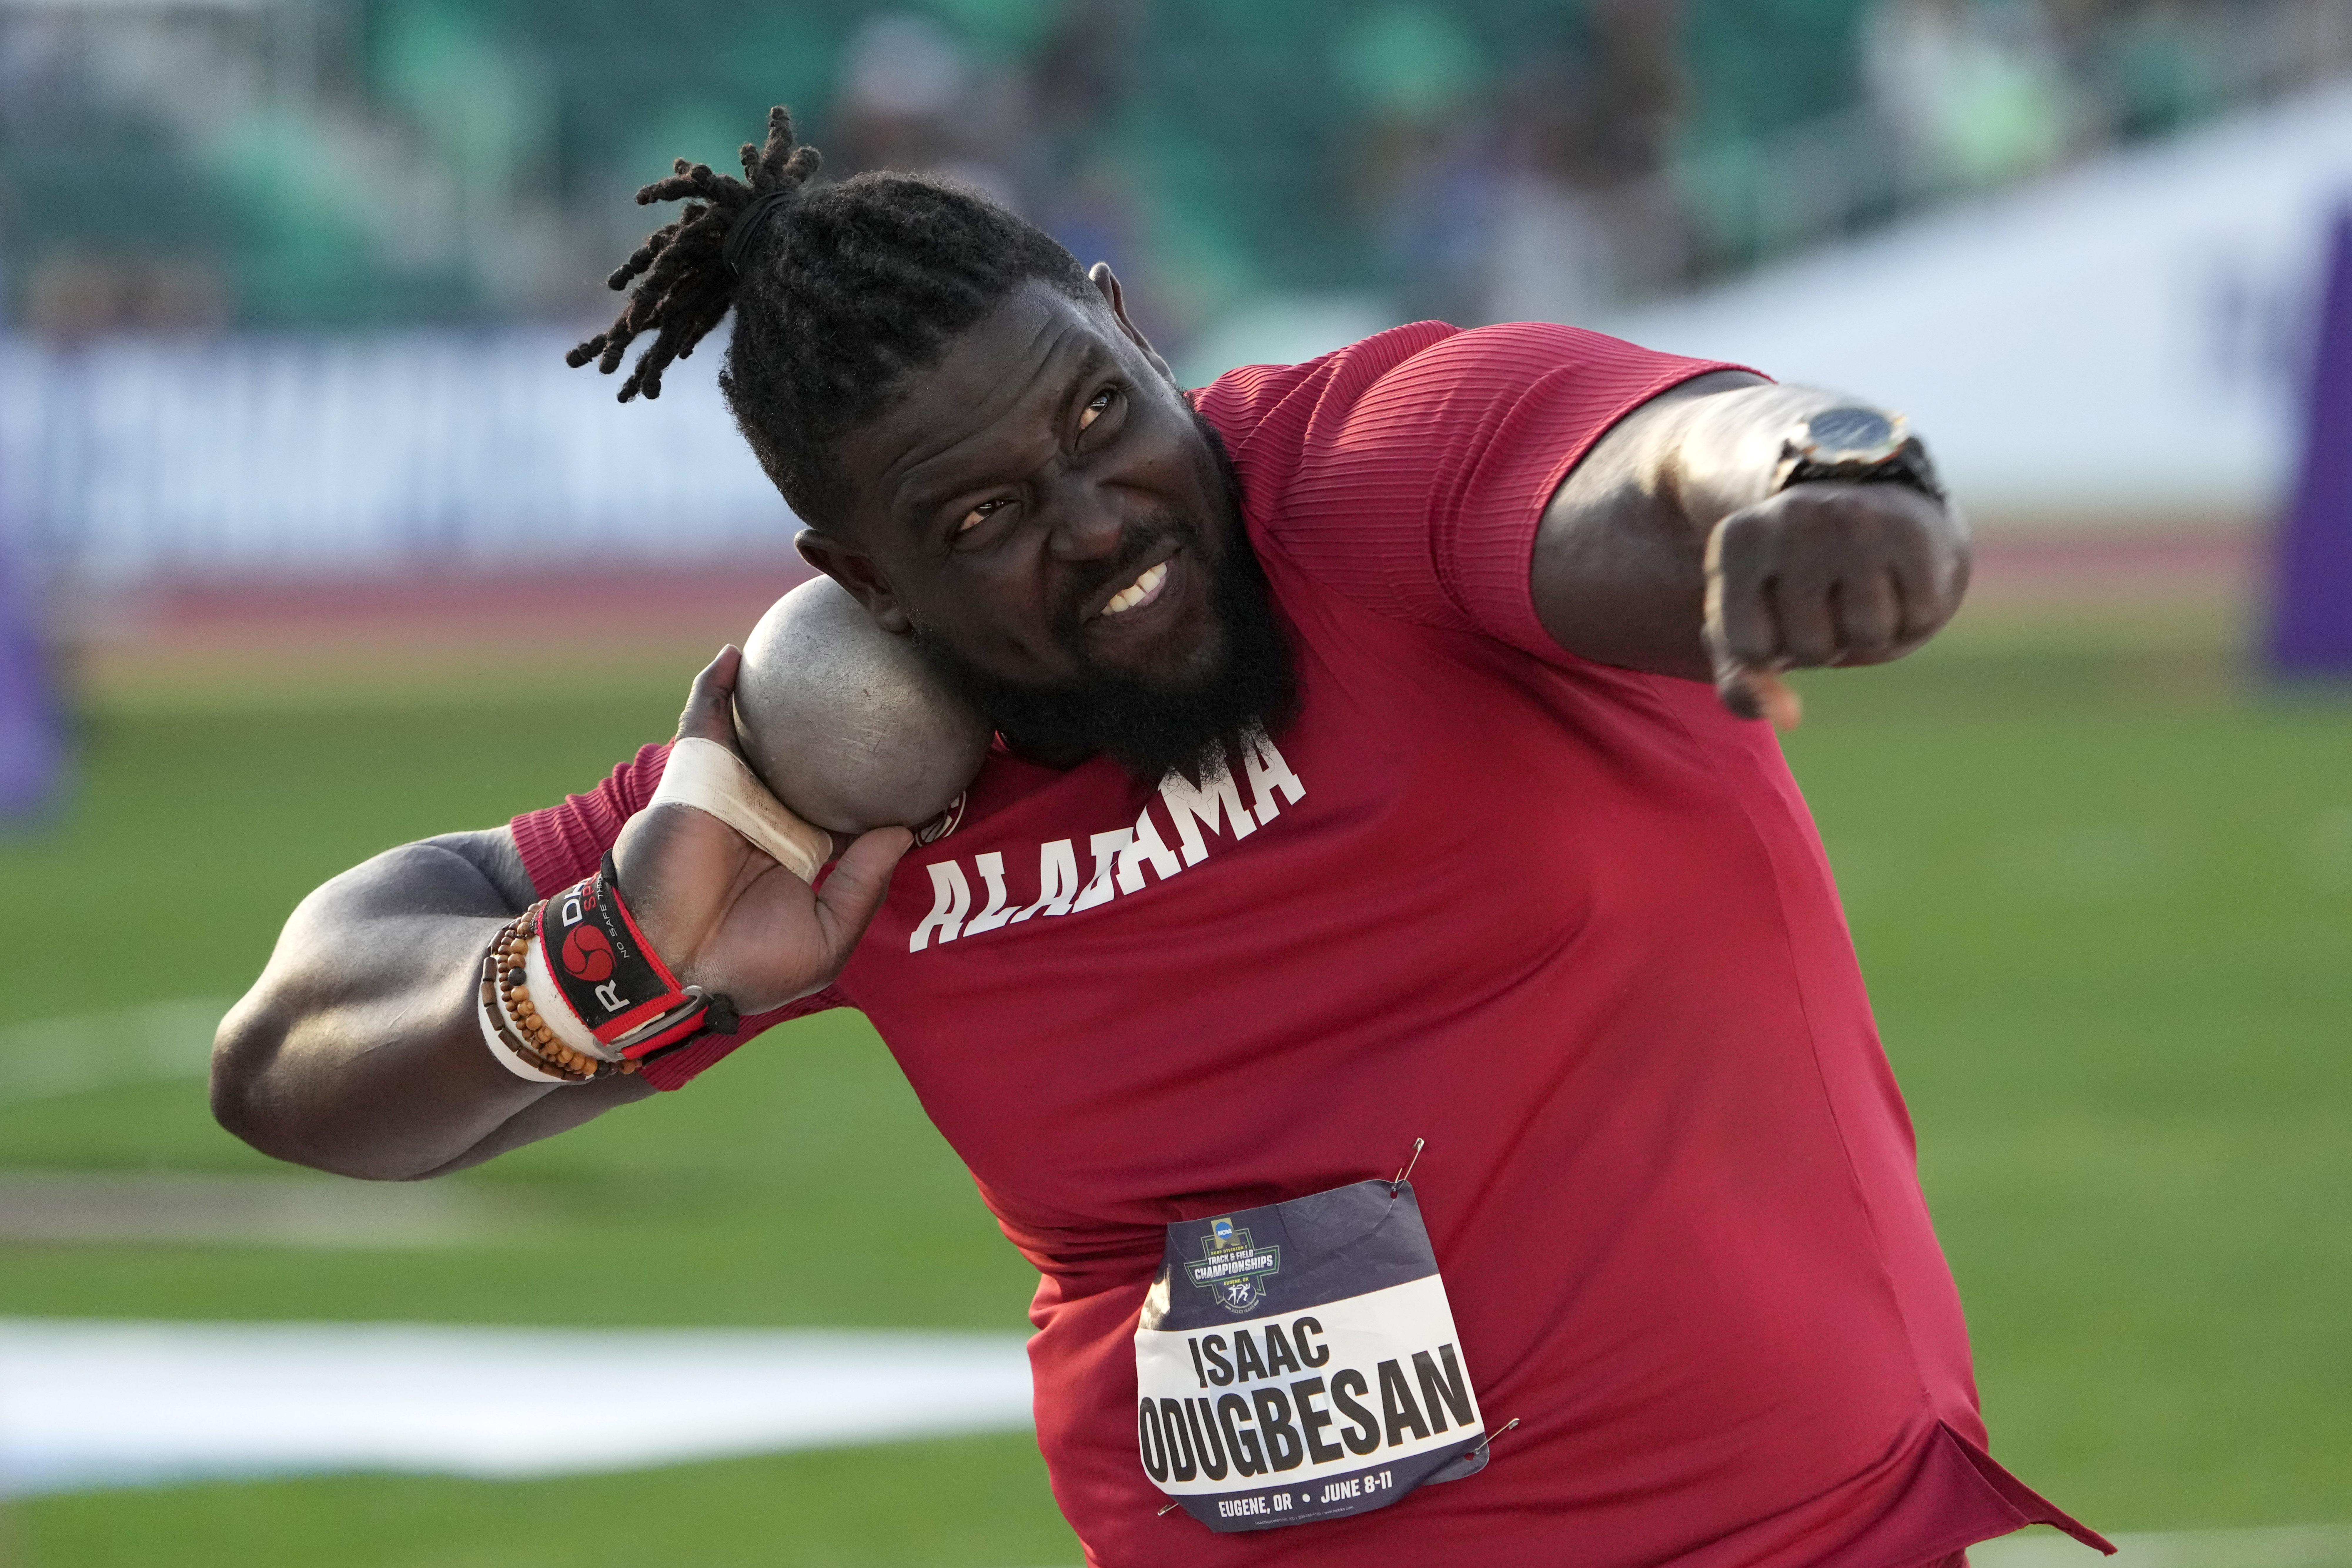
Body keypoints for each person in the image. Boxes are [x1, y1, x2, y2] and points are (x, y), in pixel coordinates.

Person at [212, 108, 2110, 1567]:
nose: (1099, 518)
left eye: (1099, 418)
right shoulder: (838, 784)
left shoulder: (1379, 486)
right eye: (979, 522)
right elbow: (292, 1062)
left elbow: (1659, 456)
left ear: (1127, 327)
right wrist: (604, 967)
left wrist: (1817, 484)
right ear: (857, 580)